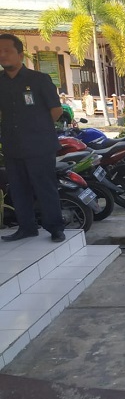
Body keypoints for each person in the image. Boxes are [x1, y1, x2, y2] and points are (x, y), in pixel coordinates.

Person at [0, 34, 65, 243]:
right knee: (18, 190)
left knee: (45, 188)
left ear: (20, 54)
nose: (3, 55)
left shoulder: (39, 80)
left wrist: (37, 129)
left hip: (39, 146)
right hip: (13, 146)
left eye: (7, 51)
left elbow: (56, 110)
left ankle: (55, 228)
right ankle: (27, 228)